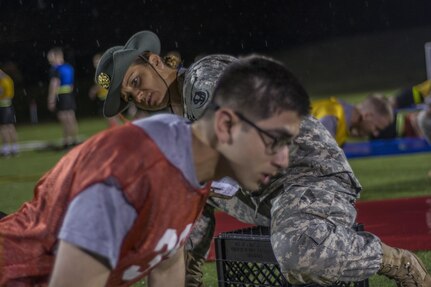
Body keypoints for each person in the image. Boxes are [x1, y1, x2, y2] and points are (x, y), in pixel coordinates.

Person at [96, 30, 431, 287]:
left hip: (308, 174)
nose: (138, 96)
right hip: (266, 192)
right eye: (130, 97)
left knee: (298, 255)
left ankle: (399, 262)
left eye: (136, 82)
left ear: (155, 61)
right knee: (177, 190)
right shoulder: (177, 120)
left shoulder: (202, 77)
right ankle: (187, 277)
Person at [0, 54, 310, 286]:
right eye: (275, 141)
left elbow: (166, 260)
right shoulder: (130, 174)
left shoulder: (190, 161)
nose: (284, 159)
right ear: (226, 124)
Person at [311, 94, 393, 146]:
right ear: (368, 115)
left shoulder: (342, 122)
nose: (375, 134)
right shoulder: (332, 118)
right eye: (376, 128)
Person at [47, 47, 79, 149]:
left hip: (61, 95)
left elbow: (54, 84)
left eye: (50, 57)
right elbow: (72, 84)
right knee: (71, 118)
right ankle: (74, 140)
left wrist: (51, 99)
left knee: (64, 119)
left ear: (57, 56)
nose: (49, 60)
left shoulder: (55, 69)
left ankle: (66, 142)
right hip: (69, 95)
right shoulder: (69, 67)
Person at [88, 53, 122, 127]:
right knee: (112, 117)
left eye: (97, 61)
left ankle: (117, 132)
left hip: (107, 98)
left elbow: (104, 84)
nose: (95, 63)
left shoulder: (102, 71)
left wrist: (93, 90)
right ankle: (118, 132)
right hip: (106, 97)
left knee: (111, 117)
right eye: (94, 61)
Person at [0, 68, 18, 156]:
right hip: (9, 105)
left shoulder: (3, 81)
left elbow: (1, 92)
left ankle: (6, 149)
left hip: (3, 106)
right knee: (10, 126)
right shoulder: (8, 79)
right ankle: (14, 148)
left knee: (4, 127)